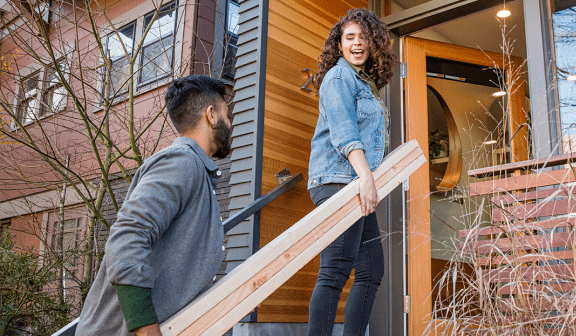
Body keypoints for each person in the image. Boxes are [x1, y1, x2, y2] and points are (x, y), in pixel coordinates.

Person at [76, 75, 232, 336]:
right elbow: (125, 241)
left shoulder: (196, 172)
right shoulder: (182, 163)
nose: (230, 123)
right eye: (227, 114)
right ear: (212, 115)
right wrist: (148, 331)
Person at [306, 8, 397, 336]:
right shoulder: (338, 77)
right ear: (340, 45)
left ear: (373, 44)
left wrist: (365, 179)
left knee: (372, 269)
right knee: (334, 271)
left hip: (353, 181)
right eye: (350, 38)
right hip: (338, 181)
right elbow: (345, 132)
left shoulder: (363, 82)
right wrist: (367, 178)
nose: (357, 43)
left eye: (364, 37)